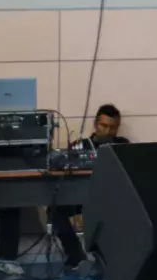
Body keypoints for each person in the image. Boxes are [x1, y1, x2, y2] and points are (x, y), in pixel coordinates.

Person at [52, 104, 129, 270]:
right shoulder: (80, 145)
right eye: (104, 126)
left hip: (112, 198)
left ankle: (107, 256)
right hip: (83, 196)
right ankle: (75, 255)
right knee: (55, 210)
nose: (108, 131)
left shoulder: (123, 145)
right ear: (95, 124)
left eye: (113, 127)